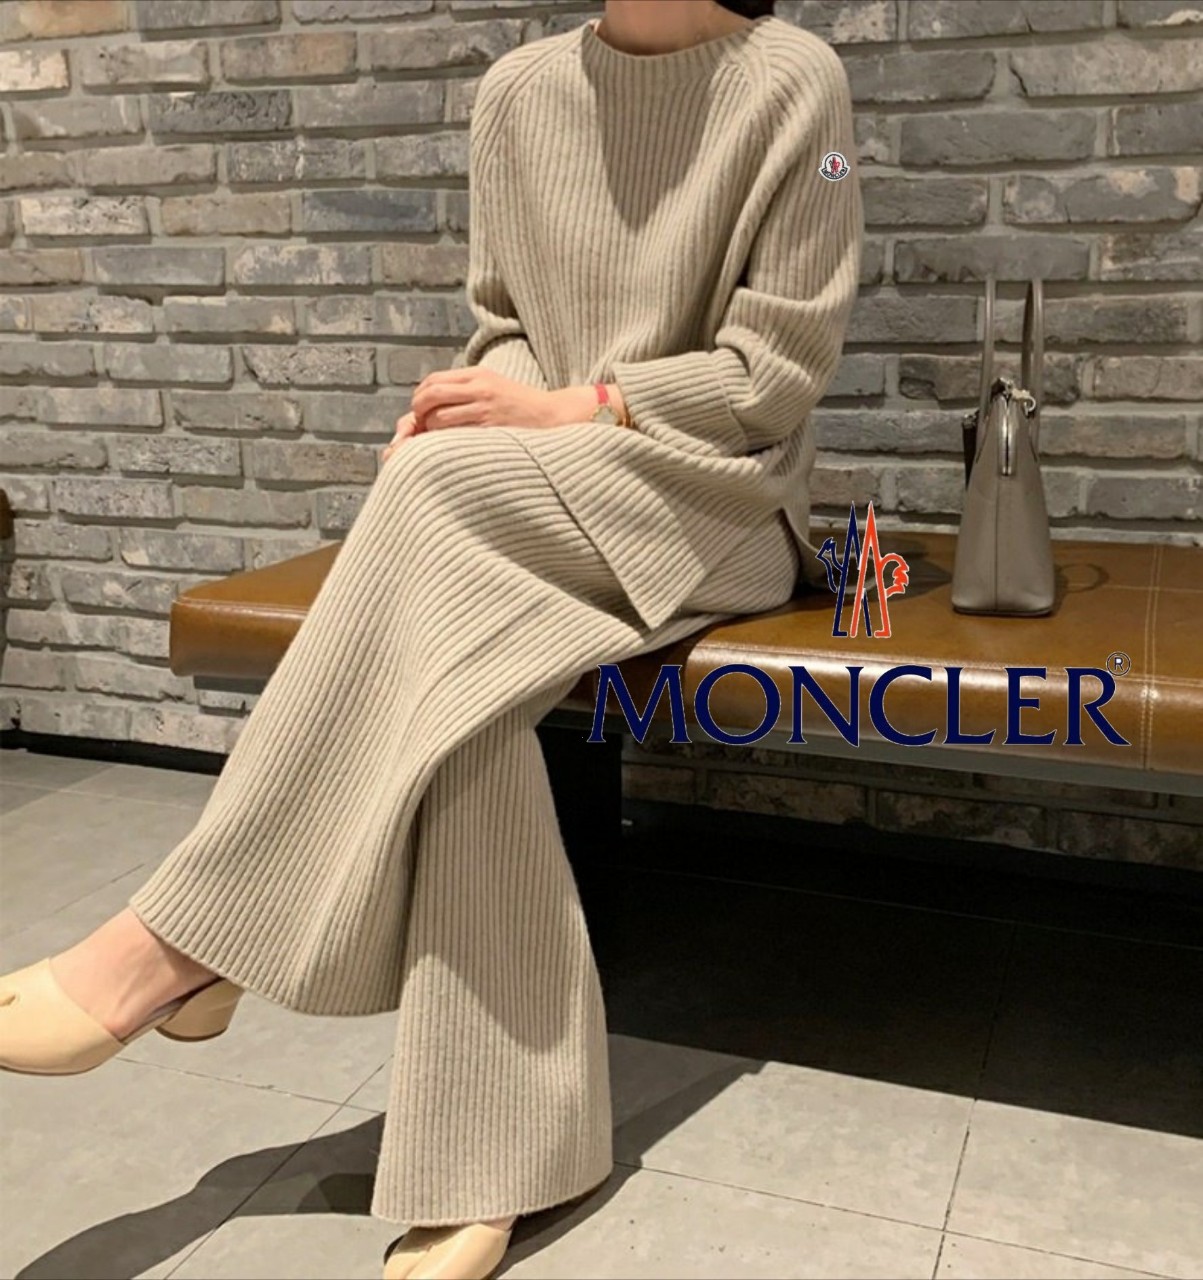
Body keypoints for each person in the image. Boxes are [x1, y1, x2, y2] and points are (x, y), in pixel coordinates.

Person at [0, 1, 862, 1276]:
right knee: (465, 692)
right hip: (536, 493)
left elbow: (778, 371)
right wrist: (477, 407)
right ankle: (491, 1156)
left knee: (429, 503)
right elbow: (503, 321)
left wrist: (581, 404)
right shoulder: (518, 92)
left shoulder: (799, 85)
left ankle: (182, 942)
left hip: (714, 498)